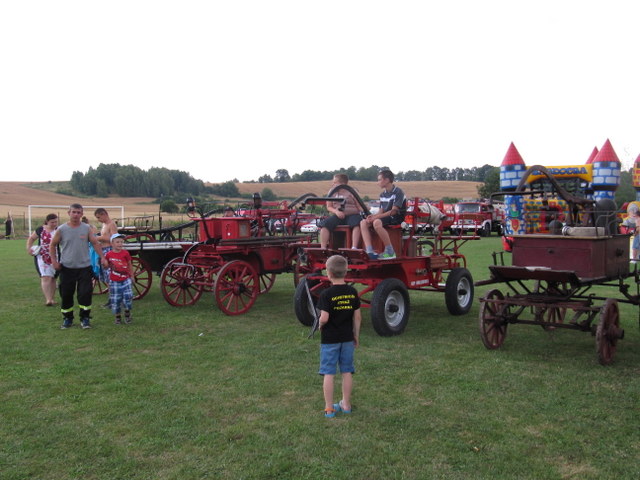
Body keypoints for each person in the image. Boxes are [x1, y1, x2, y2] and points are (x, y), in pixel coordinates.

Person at [317, 255, 362, 418]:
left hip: (330, 340)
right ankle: (346, 404)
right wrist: (355, 335)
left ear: (328, 273)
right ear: (346, 271)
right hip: (347, 338)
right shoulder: (352, 292)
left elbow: (324, 318)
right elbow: (357, 317)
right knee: (347, 371)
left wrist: (320, 325)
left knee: (329, 372)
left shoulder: (326, 294)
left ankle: (329, 408)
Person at [50, 203, 108, 329]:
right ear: (69, 213)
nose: (76, 215)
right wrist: (54, 261)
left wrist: (102, 257)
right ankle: (67, 319)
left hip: (84, 268)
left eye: (78, 212)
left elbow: (95, 243)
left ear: (82, 214)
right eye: (74, 212)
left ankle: (85, 319)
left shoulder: (86, 228)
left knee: (85, 294)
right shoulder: (61, 229)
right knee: (66, 295)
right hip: (66, 268)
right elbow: (52, 245)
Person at [358, 169, 406, 260]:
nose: (378, 182)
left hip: (396, 217)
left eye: (379, 180)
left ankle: (390, 251)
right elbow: (381, 211)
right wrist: (372, 217)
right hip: (386, 216)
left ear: (387, 180)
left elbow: (394, 211)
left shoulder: (398, 192)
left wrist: (376, 218)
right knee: (363, 222)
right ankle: (369, 251)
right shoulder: (382, 194)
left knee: (376, 222)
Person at [318, 174, 363, 249]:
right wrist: (336, 212)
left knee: (357, 223)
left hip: (352, 215)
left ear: (342, 184)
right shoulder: (332, 192)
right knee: (325, 225)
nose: (332, 184)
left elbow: (359, 206)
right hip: (338, 215)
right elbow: (329, 207)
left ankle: (354, 247)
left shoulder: (352, 192)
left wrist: (367, 212)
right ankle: (323, 248)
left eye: (335, 182)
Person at [26, 213, 59, 306]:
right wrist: (29, 248)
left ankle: (52, 298)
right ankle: (48, 299)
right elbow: (31, 238)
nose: (54, 224)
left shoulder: (59, 230)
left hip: (56, 256)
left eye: (56, 222)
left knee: (53, 277)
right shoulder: (40, 229)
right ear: (47, 221)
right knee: (45, 277)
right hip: (42, 256)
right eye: (52, 222)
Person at [105, 233, 134, 324]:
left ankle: (127, 315)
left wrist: (132, 276)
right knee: (116, 299)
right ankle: (117, 317)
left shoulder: (125, 253)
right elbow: (106, 266)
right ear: (112, 244)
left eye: (121, 242)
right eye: (117, 242)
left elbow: (129, 264)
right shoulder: (109, 255)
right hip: (114, 281)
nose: (120, 244)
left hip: (126, 279)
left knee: (128, 297)